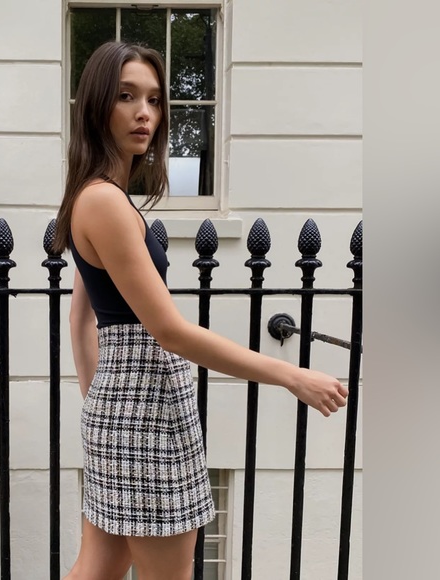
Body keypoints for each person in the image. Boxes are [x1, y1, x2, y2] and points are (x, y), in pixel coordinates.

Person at [54, 41, 348, 580]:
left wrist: (101, 405)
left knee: (97, 568)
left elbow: (82, 318)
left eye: (154, 99)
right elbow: (169, 332)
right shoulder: (105, 202)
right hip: (147, 414)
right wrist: (291, 375)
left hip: (124, 409)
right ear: (97, 104)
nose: (144, 113)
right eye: (126, 96)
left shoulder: (94, 196)